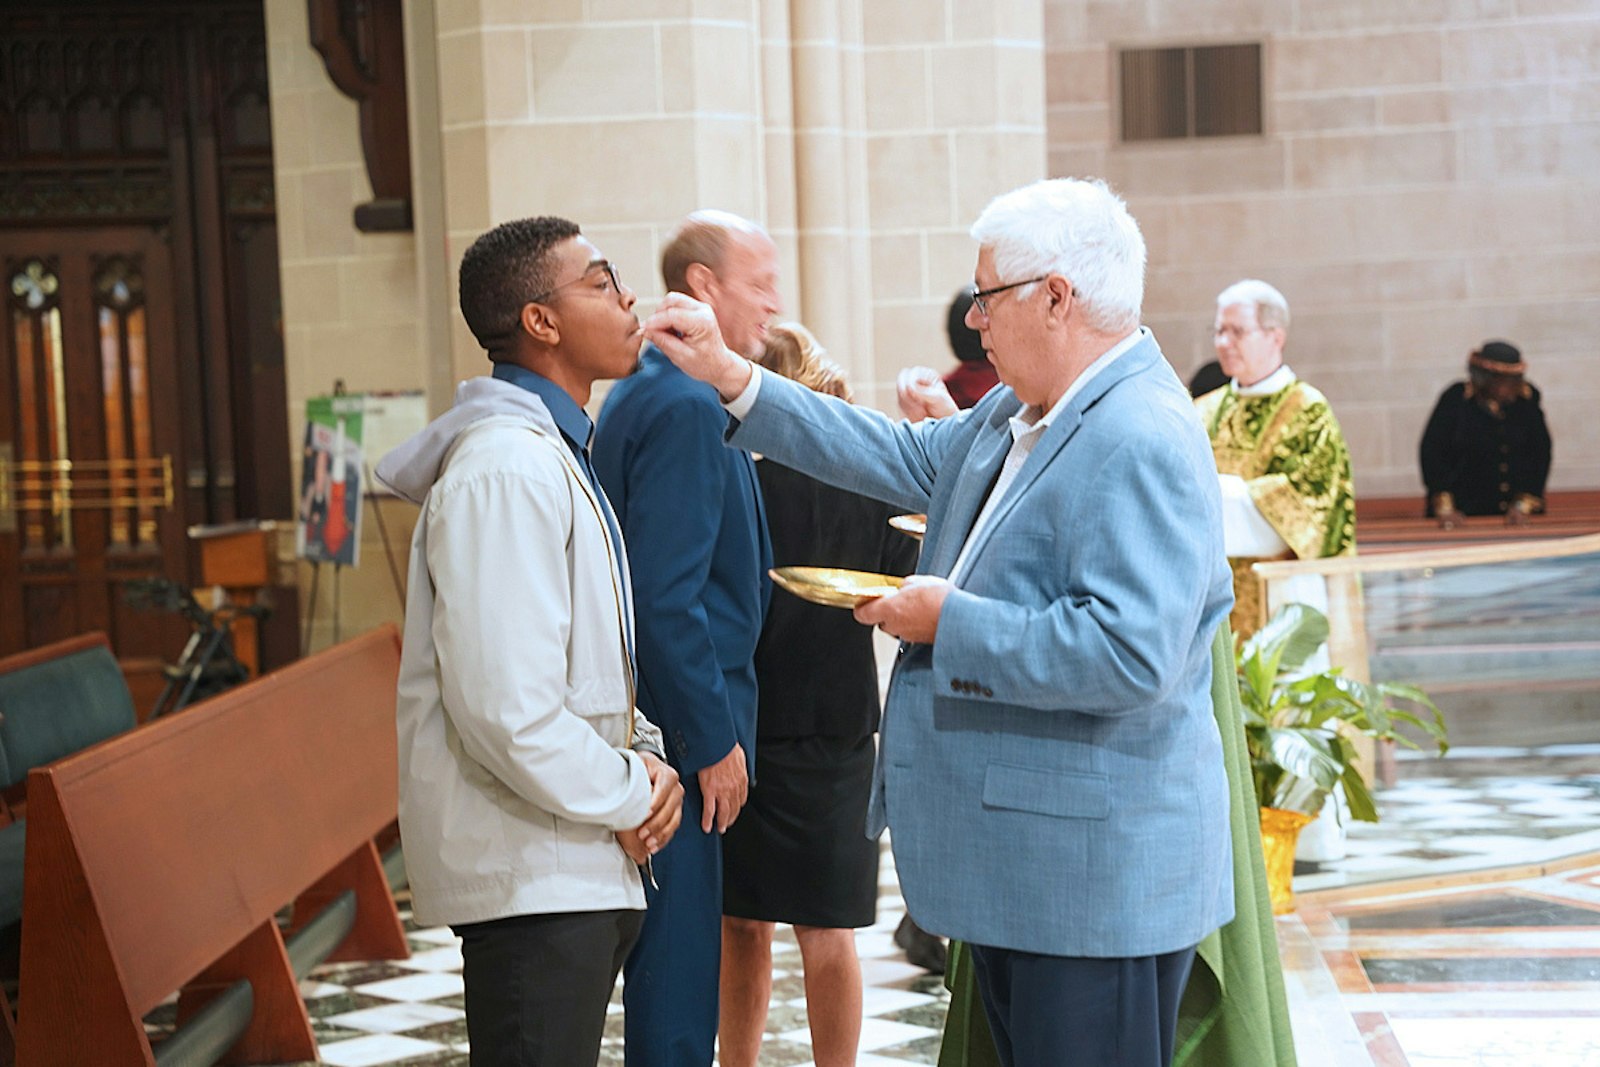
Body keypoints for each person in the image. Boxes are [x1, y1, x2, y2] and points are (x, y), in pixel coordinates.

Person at [646, 178, 1235, 1067]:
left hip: (1089, 882)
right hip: (1026, 871)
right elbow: (897, 453)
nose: (977, 322)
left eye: (988, 297)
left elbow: (1128, 652)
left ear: (1056, 297)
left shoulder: (1140, 432)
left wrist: (947, 621)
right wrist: (735, 377)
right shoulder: (1021, 409)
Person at [373, 216, 684, 1067]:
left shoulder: (546, 451)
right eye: (600, 282)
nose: (628, 301)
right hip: (531, 873)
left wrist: (648, 758)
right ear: (540, 322)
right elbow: (505, 707)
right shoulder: (503, 469)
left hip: (568, 858)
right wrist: (631, 790)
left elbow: (589, 664)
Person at [594, 210, 777, 1067]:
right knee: (677, 976)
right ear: (702, 285)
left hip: (666, 721)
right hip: (681, 730)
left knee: (677, 964)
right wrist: (713, 740)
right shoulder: (680, 404)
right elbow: (669, 601)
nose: (773, 302)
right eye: (760, 282)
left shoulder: (657, 387)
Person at [718, 322, 919, 1067]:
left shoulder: (740, 475)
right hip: (834, 726)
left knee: (742, 926)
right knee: (827, 931)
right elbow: (909, 578)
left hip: (750, 724)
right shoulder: (863, 486)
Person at [1196, 279, 1355, 641]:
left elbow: (1307, 512)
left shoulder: (1307, 412)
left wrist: (1212, 495)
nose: (1223, 342)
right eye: (1219, 330)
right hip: (1213, 606)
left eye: (1237, 331)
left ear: (1275, 337)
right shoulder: (1202, 411)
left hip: (1282, 601)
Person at [1420, 339, 1551, 526]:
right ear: (1485, 378)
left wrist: (1523, 506)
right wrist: (1445, 509)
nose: (1511, 387)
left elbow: (1539, 455)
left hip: (1515, 517)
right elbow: (1433, 454)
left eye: (1515, 380)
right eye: (1503, 381)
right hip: (1464, 514)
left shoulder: (1526, 403)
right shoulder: (1456, 401)